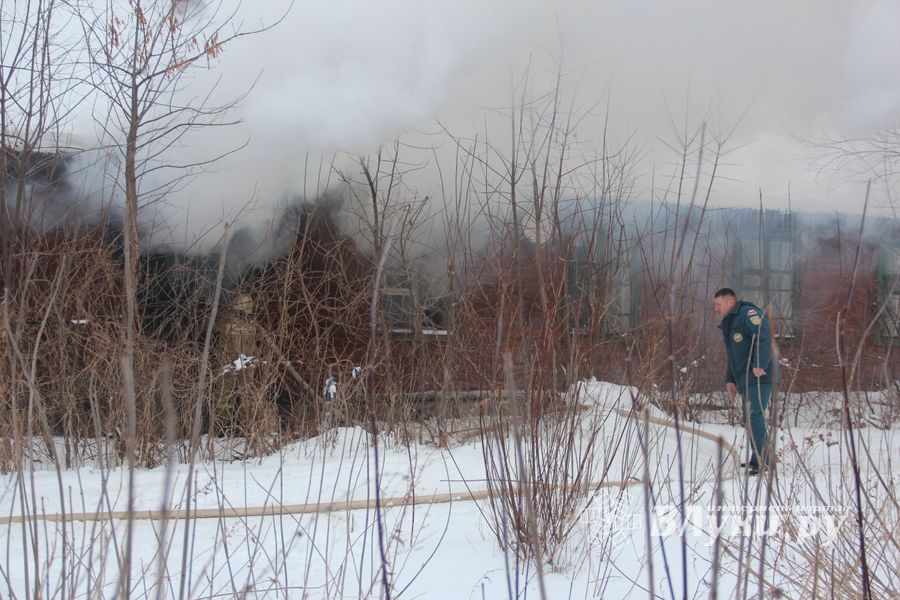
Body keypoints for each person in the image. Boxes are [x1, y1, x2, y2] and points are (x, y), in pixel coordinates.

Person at [713, 288, 775, 475]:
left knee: (754, 414)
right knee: (749, 416)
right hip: (745, 379)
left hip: (760, 376)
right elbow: (733, 355)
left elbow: (763, 336)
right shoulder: (730, 322)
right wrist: (730, 379)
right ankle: (757, 459)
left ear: (730, 301)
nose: (716, 309)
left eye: (718, 304)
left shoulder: (748, 314)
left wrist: (759, 363)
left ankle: (765, 460)